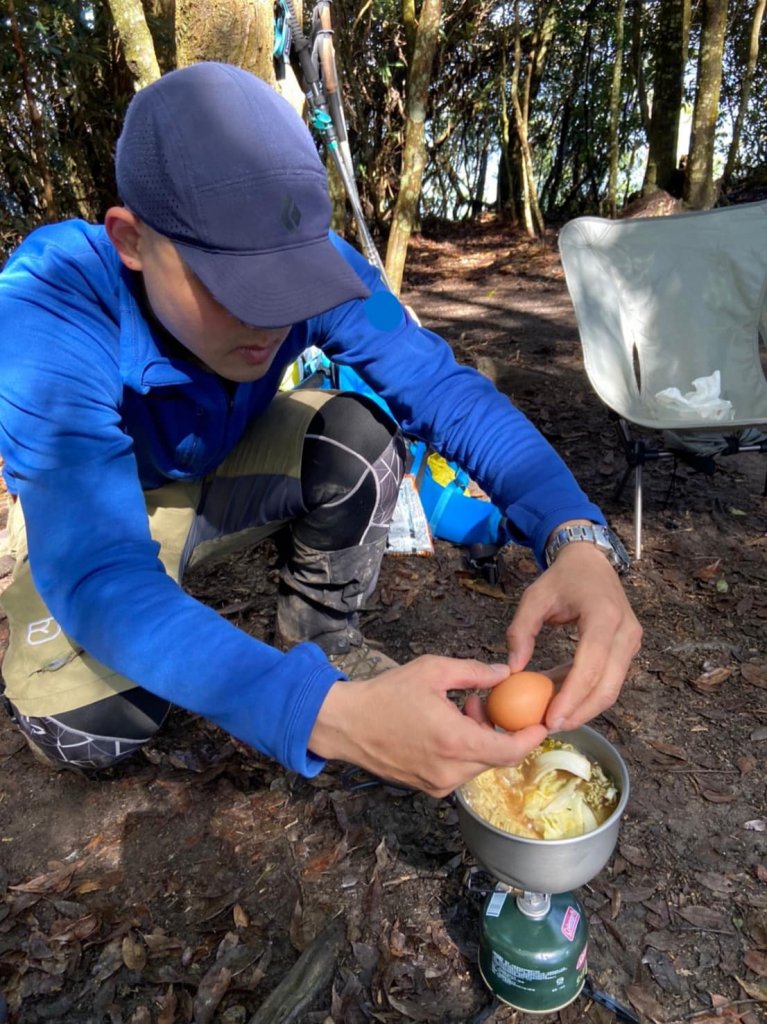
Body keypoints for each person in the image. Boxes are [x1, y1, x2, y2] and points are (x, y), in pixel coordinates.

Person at [0, 62, 641, 796]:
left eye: (288, 286)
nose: (270, 319)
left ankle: (324, 635)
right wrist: (316, 715)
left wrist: (575, 535)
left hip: (224, 462)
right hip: (111, 503)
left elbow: (440, 388)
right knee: (92, 729)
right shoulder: (45, 308)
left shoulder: (332, 274)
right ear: (132, 239)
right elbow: (101, 569)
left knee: (360, 440)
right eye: (231, 288)